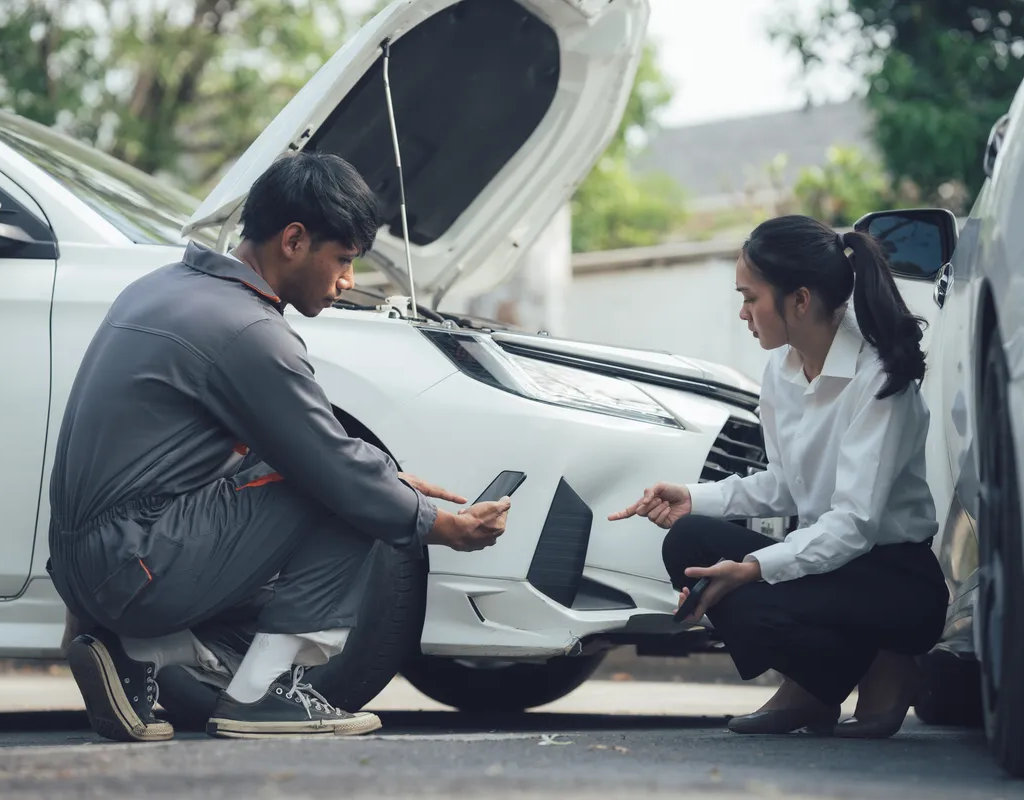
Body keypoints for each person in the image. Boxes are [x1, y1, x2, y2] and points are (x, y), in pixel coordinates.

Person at [46, 151, 511, 743]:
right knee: (352, 493)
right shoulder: (249, 330)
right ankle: (261, 692)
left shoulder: (162, 288)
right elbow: (336, 472)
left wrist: (386, 482)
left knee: (364, 478)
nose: (347, 282)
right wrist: (441, 526)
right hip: (133, 566)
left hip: (89, 566)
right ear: (293, 240)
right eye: (343, 260)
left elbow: (298, 450)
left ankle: (137, 651)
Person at [610, 215, 947, 738]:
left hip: (894, 583)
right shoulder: (783, 372)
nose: (742, 313)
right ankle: (817, 685)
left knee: (747, 573)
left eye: (750, 297)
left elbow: (854, 524)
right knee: (690, 540)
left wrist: (753, 566)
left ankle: (892, 657)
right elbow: (784, 485)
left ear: (800, 300)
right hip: (831, 571)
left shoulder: (879, 379)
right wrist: (692, 499)